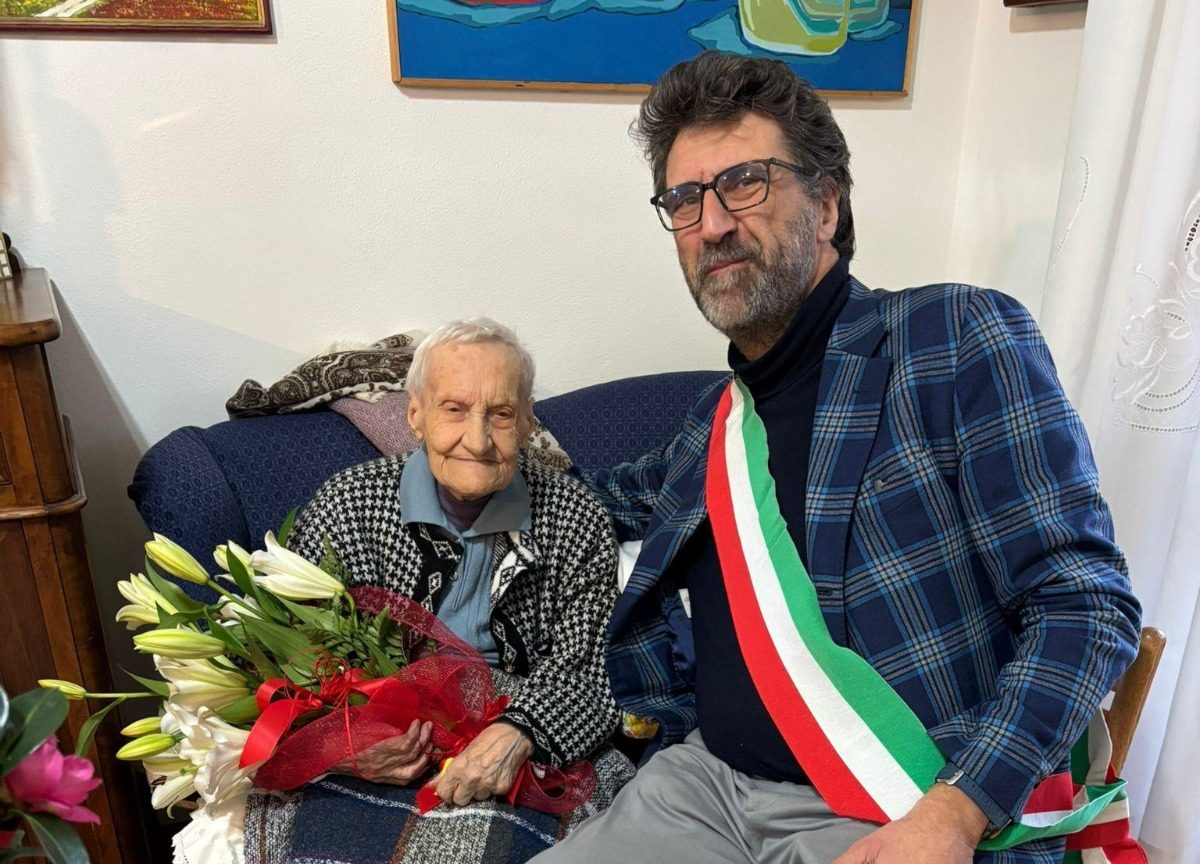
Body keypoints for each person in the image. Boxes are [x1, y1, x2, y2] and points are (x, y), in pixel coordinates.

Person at [532, 51, 1142, 864]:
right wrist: (456, 431)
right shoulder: (710, 426)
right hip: (701, 785)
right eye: (684, 199)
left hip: (898, 804)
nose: (712, 224)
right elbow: (582, 499)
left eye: (744, 182)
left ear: (825, 205)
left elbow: (1085, 605)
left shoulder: (953, 339)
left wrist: (955, 813)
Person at [242, 318, 630, 864]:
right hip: (380, 745)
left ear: (526, 421)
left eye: (501, 414)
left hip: (523, 734)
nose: (478, 439)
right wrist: (343, 744)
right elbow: (279, 660)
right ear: (415, 415)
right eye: (454, 409)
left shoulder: (575, 517)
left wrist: (518, 734)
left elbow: (589, 671)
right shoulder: (348, 505)